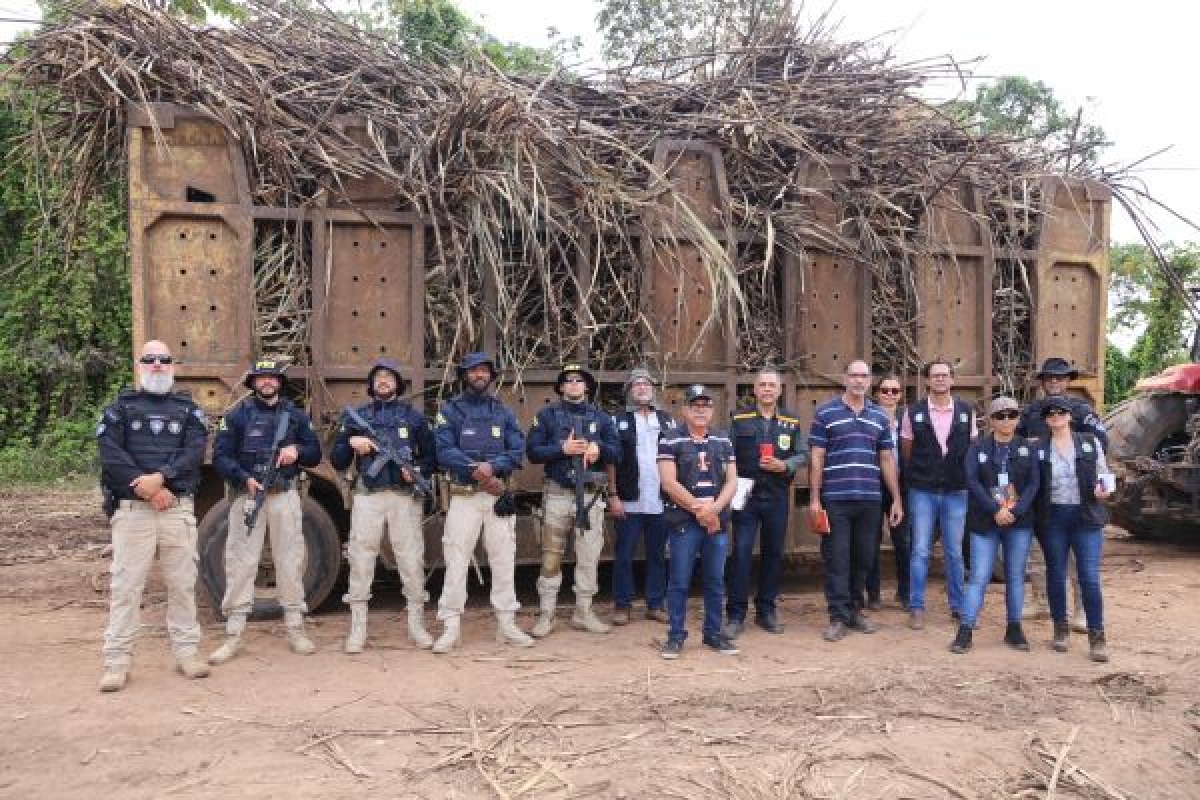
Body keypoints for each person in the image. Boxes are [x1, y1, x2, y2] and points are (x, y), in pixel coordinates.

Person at [96, 340, 210, 692]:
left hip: (176, 509)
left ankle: (187, 654)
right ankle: (117, 662)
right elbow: (110, 455)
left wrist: (161, 479)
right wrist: (147, 488)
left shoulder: (188, 410)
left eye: (163, 359)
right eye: (150, 359)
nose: (157, 364)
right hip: (134, 512)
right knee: (126, 587)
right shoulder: (120, 408)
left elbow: (194, 451)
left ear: (172, 365)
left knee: (182, 584)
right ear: (140, 365)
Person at [208, 359, 322, 664]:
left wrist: (297, 451)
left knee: (291, 560)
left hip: (284, 496)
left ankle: (295, 629)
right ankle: (233, 634)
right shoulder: (237, 416)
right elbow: (221, 456)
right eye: (262, 378)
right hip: (248, 496)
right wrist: (243, 478)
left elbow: (315, 453)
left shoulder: (295, 416)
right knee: (240, 562)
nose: (267, 382)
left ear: (280, 382)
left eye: (272, 377)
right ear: (253, 383)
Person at [330, 359, 437, 654]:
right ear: (371, 384)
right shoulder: (357, 418)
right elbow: (337, 460)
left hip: (404, 498)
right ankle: (358, 628)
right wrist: (351, 442)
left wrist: (417, 471)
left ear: (398, 384)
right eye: (378, 377)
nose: (383, 380)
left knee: (411, 560)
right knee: (361, 560)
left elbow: (432, 457)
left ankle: (417, 626)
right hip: (368, 497)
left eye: (389, 376)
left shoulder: (414, 418)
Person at [430, 352, 532, 652]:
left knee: (504, 559)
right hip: (464, 498)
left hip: (497, 499)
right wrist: (476, 470)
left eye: (484, 370)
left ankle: (506, 624)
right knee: (456, 560)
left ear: (491, 376)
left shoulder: (503, 412)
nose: (479, 375)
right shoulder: (450, 411)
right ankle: (451, 627)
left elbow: (517, 450)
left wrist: (493, 466)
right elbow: (443, 450)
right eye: (473, 370)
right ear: (464, 375)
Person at [808, 360, 904, 642]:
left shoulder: (879, 417)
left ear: (870, 381)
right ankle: (838, 616)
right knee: (837, 558)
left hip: (870, 499)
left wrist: (896, 498)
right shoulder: (825, 413)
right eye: (854, 375)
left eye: (864, 376)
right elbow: (817, 457)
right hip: (835, 499)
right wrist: (814, 498)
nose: (859, 380)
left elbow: (886, 459)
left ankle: (855, 610)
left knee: (864, 557)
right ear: (845, 379)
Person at [526, 363, 620, 637]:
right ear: (561, 387)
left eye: (579, 380)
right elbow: (532, 452)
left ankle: (584, 612)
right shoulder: (546, 416)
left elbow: (618, 453)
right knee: (551, 557)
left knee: (589, 556)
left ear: (587, 386)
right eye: (569, 380)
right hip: (558, 494)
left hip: (589, 497)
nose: (574, 384)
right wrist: (562, 448)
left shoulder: (601, 418)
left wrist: (599, 448)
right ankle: (547, 614)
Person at [1017, 356, 1107, 631]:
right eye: (1049, 377)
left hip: (1080, 501)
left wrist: (1099, 483)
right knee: (1038, 555)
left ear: (1068, 381)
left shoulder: (1082, 411)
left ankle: (1081, 610)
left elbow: (1100, 444)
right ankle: (1041, 600)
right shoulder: (1031, 412)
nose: (1054, 381)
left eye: (1060, 377)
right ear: (1043, 382)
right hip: (1042, 499)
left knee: (1080, 562)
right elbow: (1016, 446)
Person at [950, 397, 1041, 654]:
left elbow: (1034, 483)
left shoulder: (1027, 448)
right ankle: (965, 630)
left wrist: (1016, 510)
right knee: (979, 576)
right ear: (991, 420)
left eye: (1011, 415)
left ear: (1018, 419)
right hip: (985, 521)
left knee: (1015, 576)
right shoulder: (977, 448)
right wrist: (995, 509)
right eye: (1000, 416)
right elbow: (972, 481)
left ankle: (1014, 628)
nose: (1006, 420)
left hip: (1018, 521)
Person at [657, 385, 740, 658]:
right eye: (695, 406)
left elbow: (732, 481)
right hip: (684, 521)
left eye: (706, 406)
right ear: (684, 410)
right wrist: (700, 511)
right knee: (679, 581)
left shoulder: (723, 439)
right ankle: (675, 636)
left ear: (712, 411)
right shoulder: (670, 439)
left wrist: (714, 509)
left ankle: (713, 634)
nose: (701, 410)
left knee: (715, 580)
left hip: (716, 521)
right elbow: (669, 483)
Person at [724, 369, 807, 637]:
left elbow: (802, 453)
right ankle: (735, 615)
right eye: (763, 385)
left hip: (776, 495)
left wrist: (785, 465)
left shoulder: (791, 421)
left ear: (780, 390)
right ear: (755, 390)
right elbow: (727, 454)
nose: (768, 389)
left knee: (773, 554)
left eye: (772, 385)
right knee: (741, 554)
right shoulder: (739, 419)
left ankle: (766, 611)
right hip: (746, 497)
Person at [1035, 395, 1114, 662]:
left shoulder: (1089, 442)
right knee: (1056, 574)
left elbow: (1104, 473)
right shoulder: (1039, 448)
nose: (1056, 416)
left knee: (1088, 576)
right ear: (1046, 420)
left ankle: (1097, 635)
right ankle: (1060, 628)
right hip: (1053, 518)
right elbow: (1030, 482)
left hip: (1086, 516)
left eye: (1061, 412)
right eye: (1050, 413)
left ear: (1069, 416)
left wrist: (1104, 490)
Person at [901, 359, 977, 629]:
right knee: (920, 550)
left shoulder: (967, 411)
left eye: (945, 375)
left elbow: (971, 449)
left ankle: (957, 606)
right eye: (935, 375)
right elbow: (906, 450)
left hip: (956, 490)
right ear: (927, 381)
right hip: (923, 490)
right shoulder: (913, 412)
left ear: (952, 380)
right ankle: (916, 607)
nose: (941, 379)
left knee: (954, 552)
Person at [606, 368, 674, 626]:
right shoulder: (617, 421)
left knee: (658, 555)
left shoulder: (666, 421)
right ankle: (622, 605)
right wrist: (613, 494)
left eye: (646, 384)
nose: (642, 388)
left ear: (653, 389)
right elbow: (611, 460)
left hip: (660, 500)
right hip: (629, 500)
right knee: (624, 555)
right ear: (629, 390)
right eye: (636, 384)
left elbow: (676, 456)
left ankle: (655, 604)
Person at [864, 374, 910, 610]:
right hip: (872, 484)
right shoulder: (868, 416)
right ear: (877, 393)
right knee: (871, 540)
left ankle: (905, 593)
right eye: (885, 390)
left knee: (903, 541)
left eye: (895, 391)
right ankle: (873, 594)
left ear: (900, 395)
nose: (890, 394)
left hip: (901, 486)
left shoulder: (907, 419)